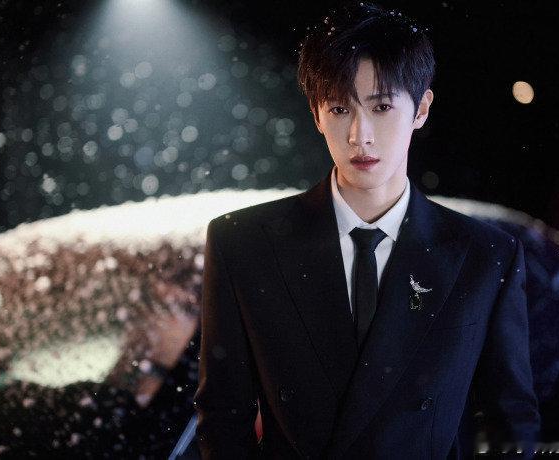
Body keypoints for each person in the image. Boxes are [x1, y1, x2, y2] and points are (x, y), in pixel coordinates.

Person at [193, 1, 541, 458]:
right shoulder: (243, 244)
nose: (361, 135)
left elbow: (507, 421)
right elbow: (223, 416)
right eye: (340, 108)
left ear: (421, 109)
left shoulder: (483, 255)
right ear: (316, 114)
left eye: (382, 106)